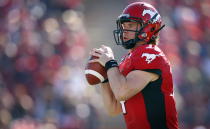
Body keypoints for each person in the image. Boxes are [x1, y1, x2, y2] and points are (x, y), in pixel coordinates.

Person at [89, 2, 179, 129]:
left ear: (149, 27)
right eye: (123, 26)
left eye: (130, 25)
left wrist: (110, 63)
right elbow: (113, 108)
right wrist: (105, 77)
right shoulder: (128, 59)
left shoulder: (150, 53)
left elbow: (122, 92)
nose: (124, 31)